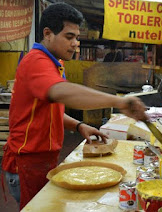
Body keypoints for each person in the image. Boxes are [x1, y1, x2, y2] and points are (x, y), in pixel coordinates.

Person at [1, 3, 148, 210]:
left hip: (42, 161)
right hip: (26, 163)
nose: (75, 44)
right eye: (69, 37)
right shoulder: (36, 61)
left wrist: (79, 126)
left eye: (77, 38)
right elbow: (63, 92)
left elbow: (49, 112)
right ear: (48, 33)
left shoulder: (55, 64)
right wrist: (118, 102)